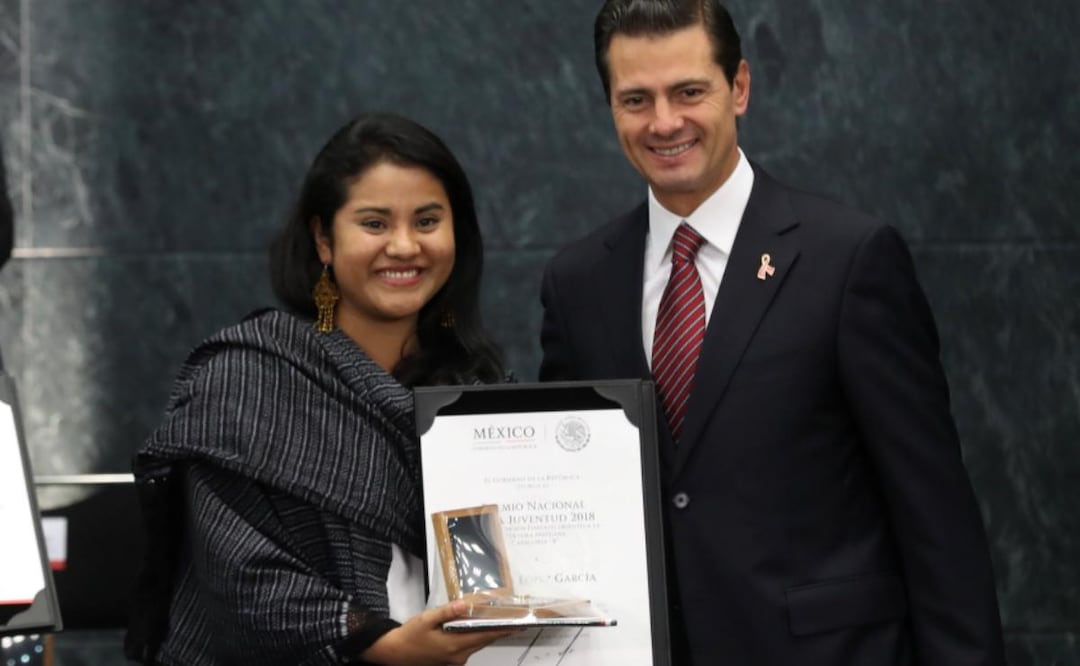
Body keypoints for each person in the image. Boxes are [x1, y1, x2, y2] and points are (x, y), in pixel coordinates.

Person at [538, 1, 1006, 664]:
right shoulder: (578, 282)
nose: (665, 122)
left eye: (689, 91)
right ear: (610, 107)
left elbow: (934, 514)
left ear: (740, 88)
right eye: (636, 98)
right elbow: (570, 488)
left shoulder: (848, 259)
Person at [126, 112, 513, 665]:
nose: (405, 246)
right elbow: (239, 574)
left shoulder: (478, 394)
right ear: (323, 239)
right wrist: (378, 645)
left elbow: (494, 575)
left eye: (427, 221)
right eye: (375, 224)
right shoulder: (248, 382)